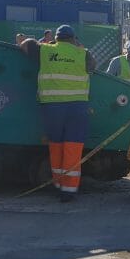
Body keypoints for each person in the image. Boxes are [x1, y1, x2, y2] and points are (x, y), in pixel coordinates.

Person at [35, 24, 93, 202]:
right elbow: (92, 68)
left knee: (56, 146)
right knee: (73, 149)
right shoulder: (84, 54)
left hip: (52, 108)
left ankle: (58, 184)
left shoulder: (44, 50)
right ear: (73, 39)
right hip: (77, 108)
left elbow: (27, 44)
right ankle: (69, 190)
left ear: (56, 38)